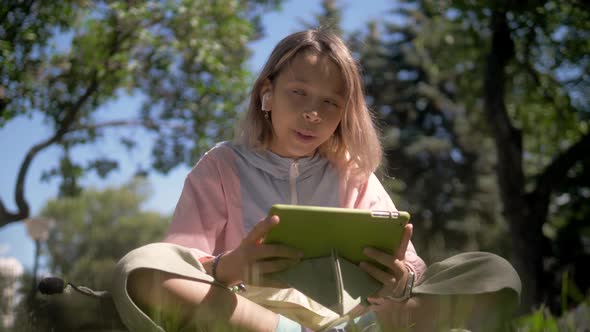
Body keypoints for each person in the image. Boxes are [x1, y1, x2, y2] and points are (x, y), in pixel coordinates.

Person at [111, 29, 521, 332]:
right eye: (299, 93)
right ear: (266, 95)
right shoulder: (221, 165)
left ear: (345, 113)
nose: (313, 113)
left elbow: (411, 270)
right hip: (254, 318)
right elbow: (179, 259)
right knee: (140, 269)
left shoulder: (353, 173)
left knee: (495, 275)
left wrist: (402, 281)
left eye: (330, 102)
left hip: (358, 318)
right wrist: (227, 266)